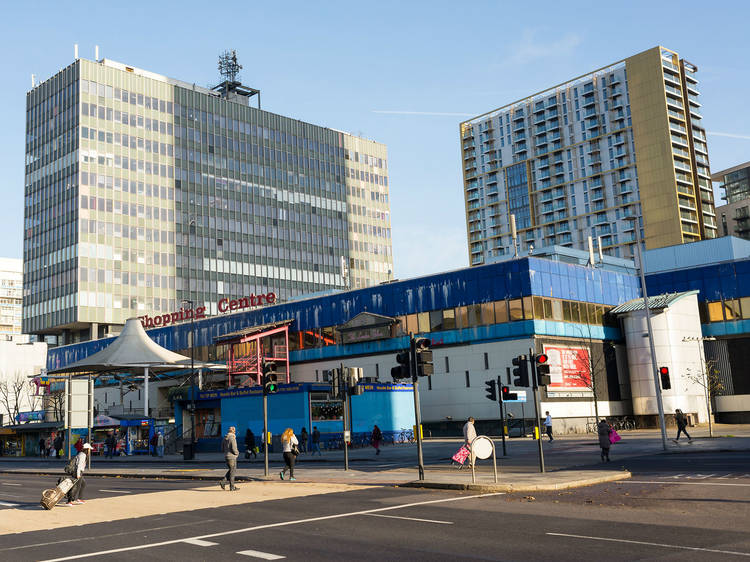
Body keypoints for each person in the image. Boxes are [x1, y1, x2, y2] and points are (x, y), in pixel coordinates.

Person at [219, 426, 239, 491]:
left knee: (231, 470)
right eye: (234, 430)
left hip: (226, 456)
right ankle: (232, 487)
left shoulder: (224, 438)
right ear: (233, 431)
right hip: (232, 457)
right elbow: (234, 448)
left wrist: (226, 451)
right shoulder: (232, 438)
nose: (235, 432)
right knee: (232, 472)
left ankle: (223, 482)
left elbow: (221, 448)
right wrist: (237, 453)